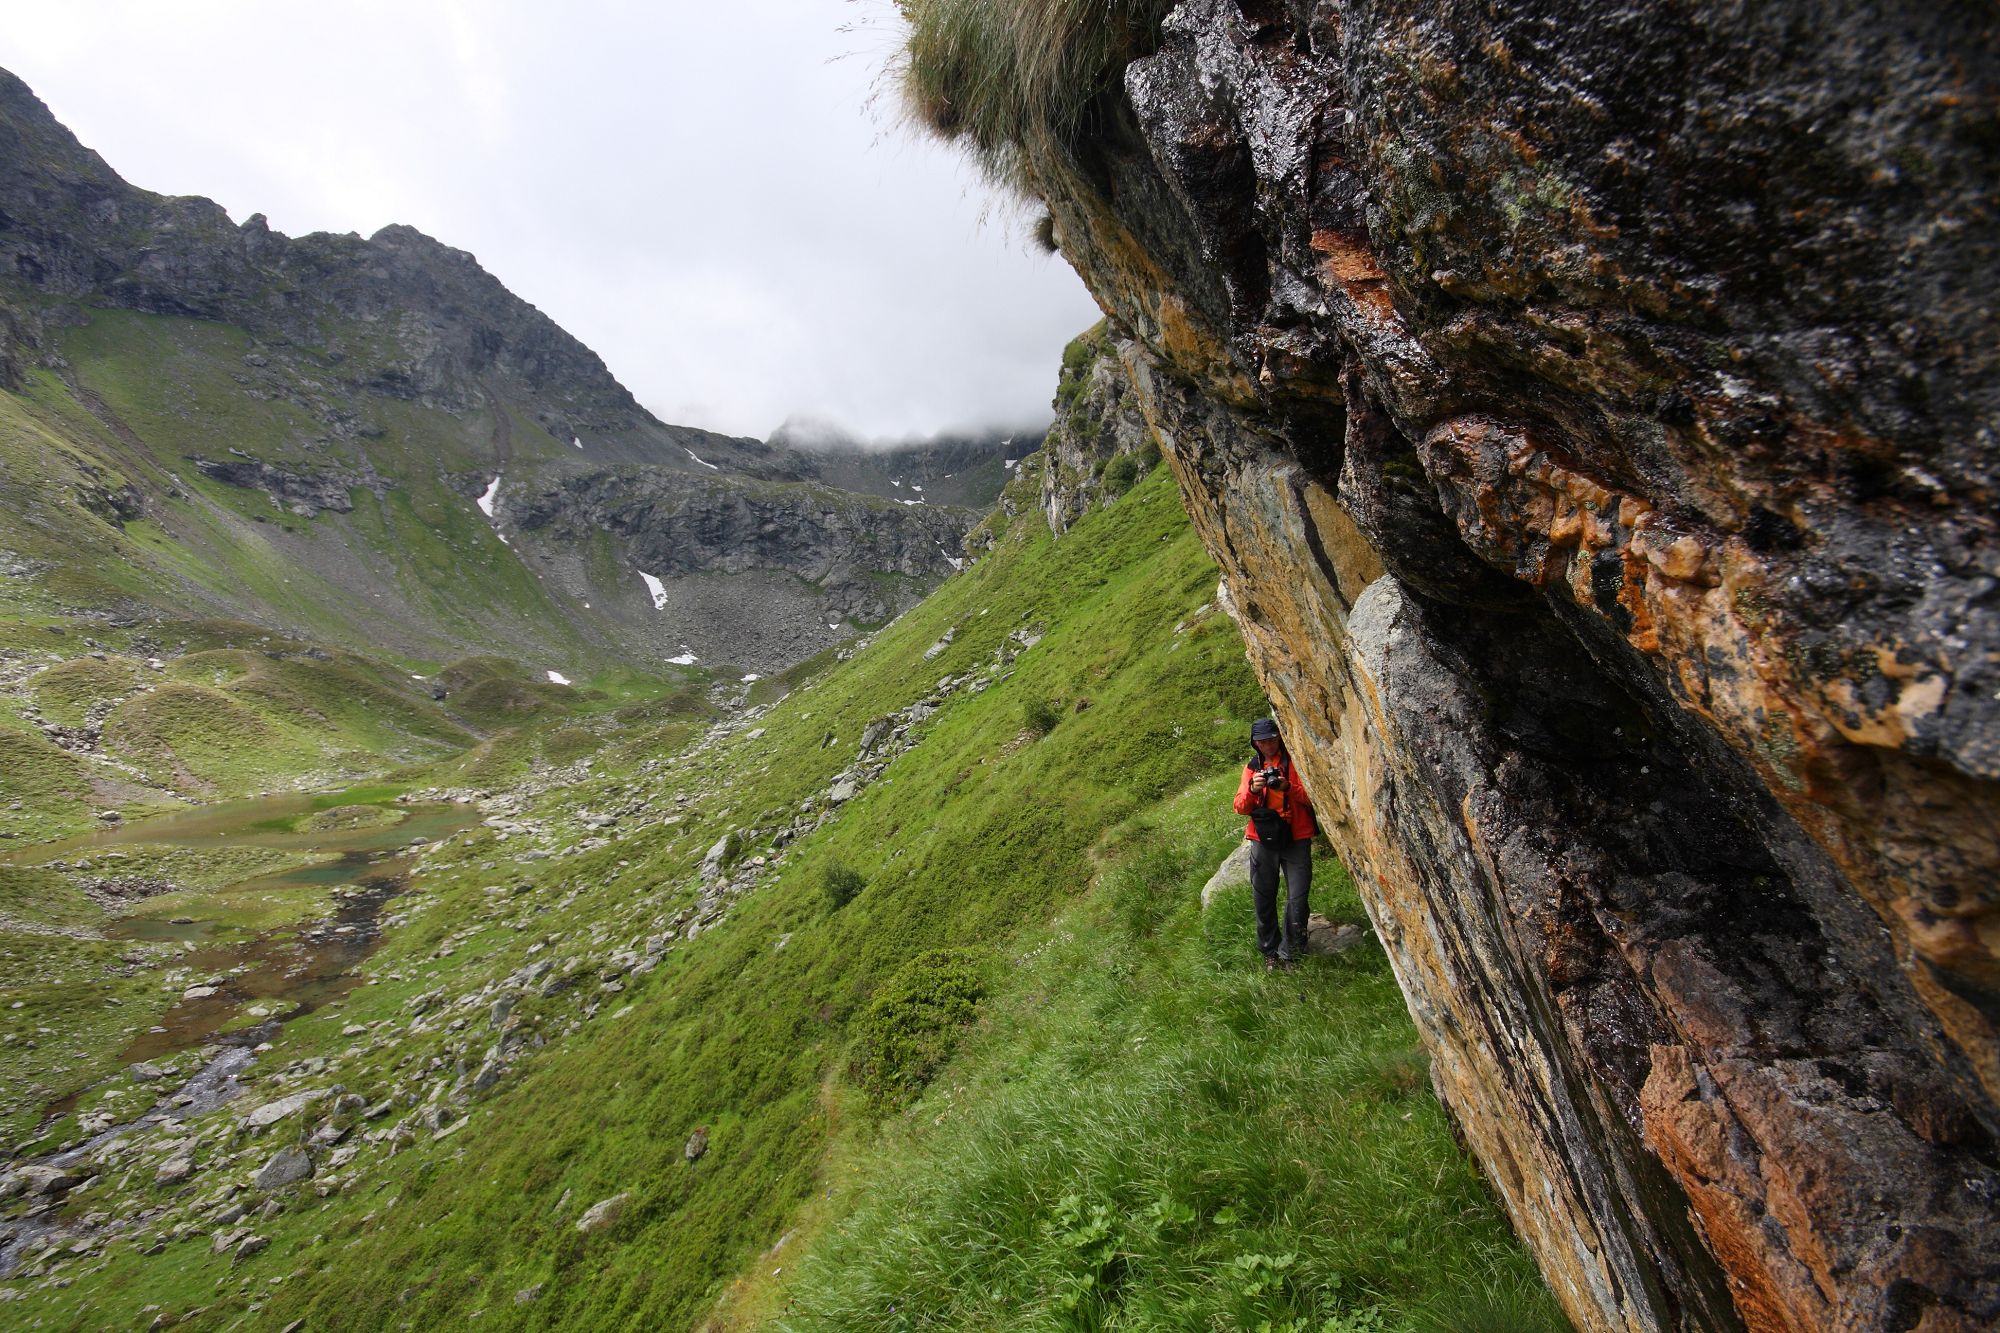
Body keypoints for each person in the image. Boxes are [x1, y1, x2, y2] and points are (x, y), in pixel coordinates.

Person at [1233, 717, 1316, 971]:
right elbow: (1240, 807)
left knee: (1298, 898)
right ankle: (1270, 951)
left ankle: (1291, 951)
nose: (1267, 745)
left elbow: (1313, 798)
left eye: (1271, 739)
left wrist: (1287, 787)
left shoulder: (1295, 762)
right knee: (1263, 897)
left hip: (1296, 836)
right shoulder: (1252, 768)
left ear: (1279, 737)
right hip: (1263, 839)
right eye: (1261, 742)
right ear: (1255, 743)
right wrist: (1253, 789)